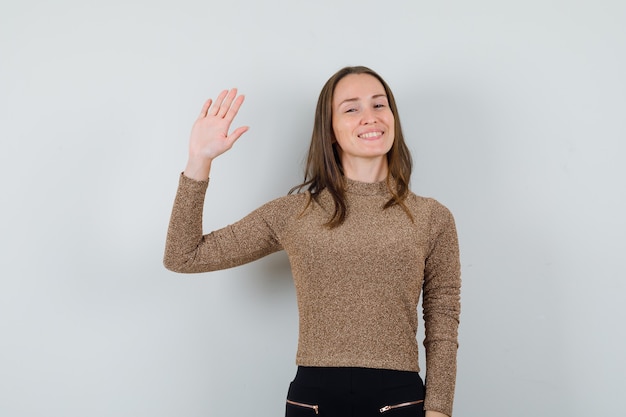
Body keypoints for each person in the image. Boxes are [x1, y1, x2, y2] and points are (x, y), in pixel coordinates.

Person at [164, 66, 461, 417]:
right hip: (314, 400)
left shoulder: (431, 217)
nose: (370, 117)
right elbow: (184, 255)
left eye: (379, 106)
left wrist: (439, 410)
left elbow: (442, 317)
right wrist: (199, 160)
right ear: (330, 130)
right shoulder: (295, 213)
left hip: (398, 399)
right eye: (351, 109)